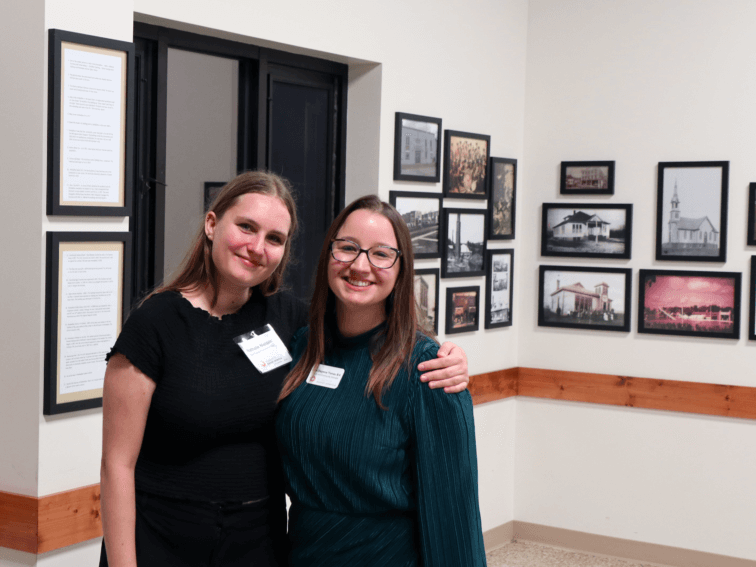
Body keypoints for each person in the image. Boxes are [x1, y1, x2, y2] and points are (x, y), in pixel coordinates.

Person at [99, 172, 471, 567]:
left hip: (260, 543)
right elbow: (116, 464)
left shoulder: (290, 322)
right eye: (246, 227)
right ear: (211, 225)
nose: (256, 247)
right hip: (165, 537)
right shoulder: (156, 322)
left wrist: (453, 359)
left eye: (274, 238)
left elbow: (367, 334)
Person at [276, 195, 487, 566]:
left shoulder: (427, 369)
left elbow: (454, 511)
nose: (360, 265)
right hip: (304, 551)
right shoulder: (302, 345)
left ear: (401, 267)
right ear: (329, 254)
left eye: (381, 254)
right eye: (348, 248)